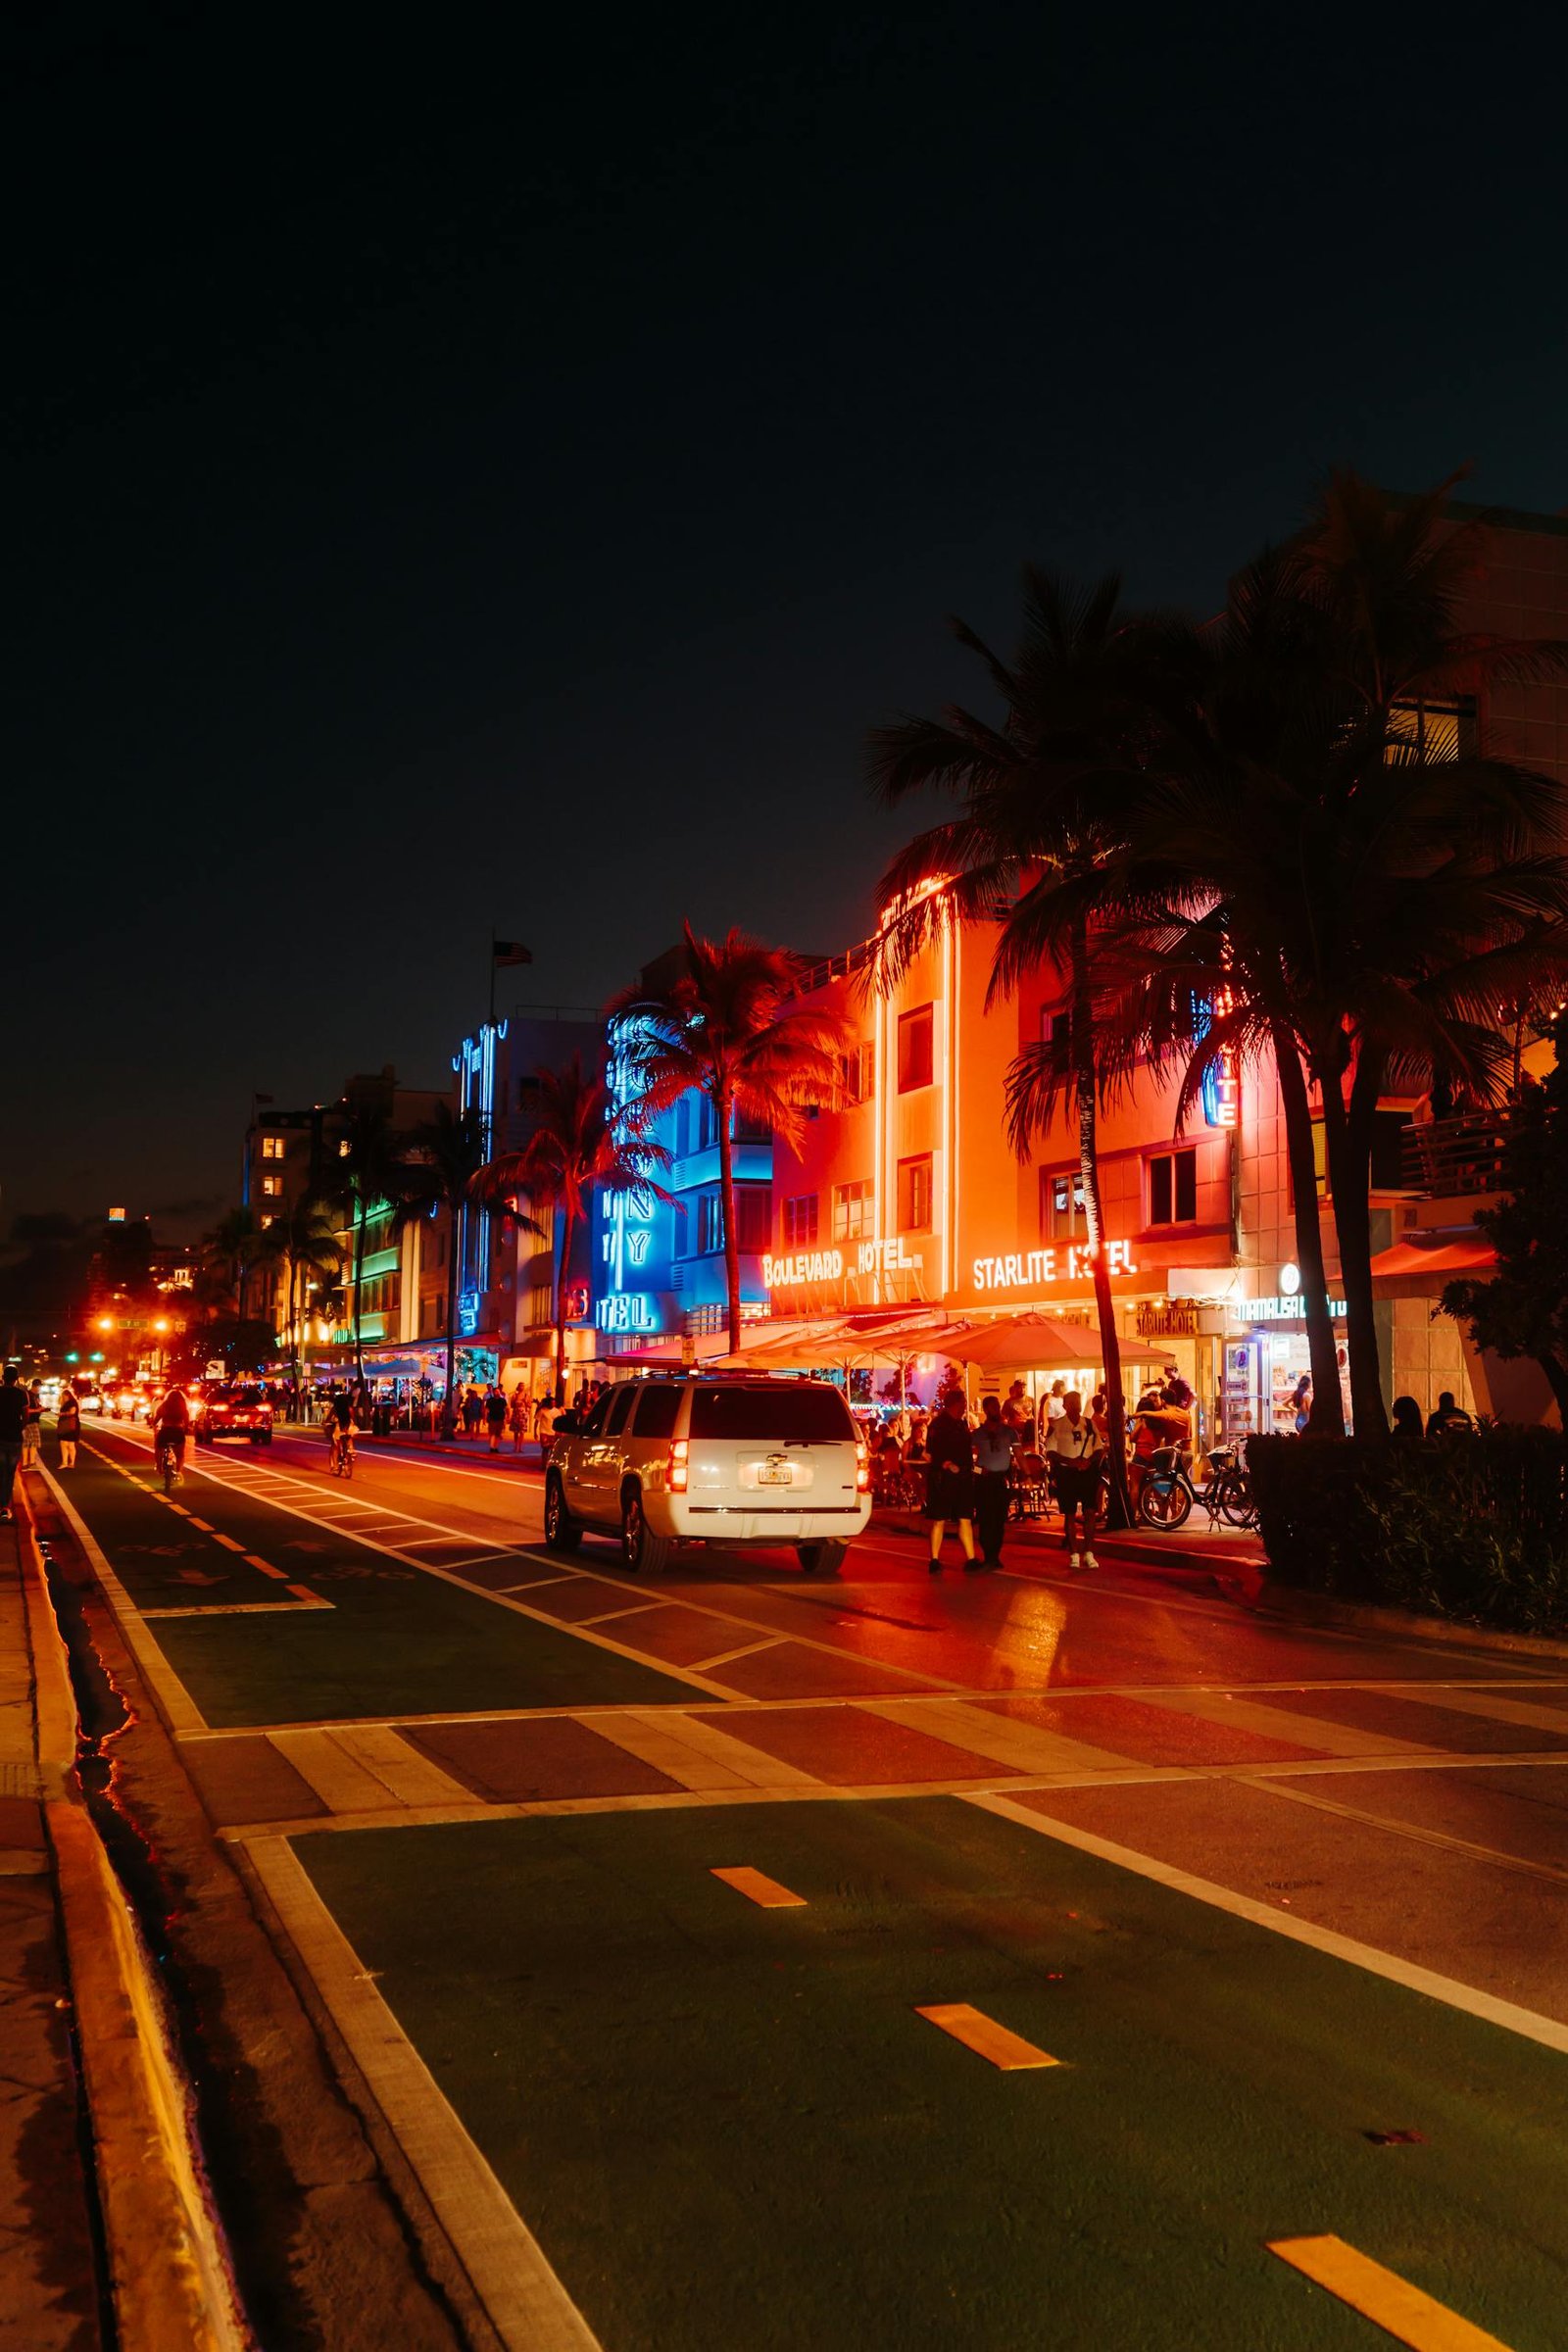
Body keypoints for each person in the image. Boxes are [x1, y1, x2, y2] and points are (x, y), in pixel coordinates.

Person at [1045, 1389, 1104, 1571]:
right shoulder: (1057, 1425)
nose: (1076, 1406)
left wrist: (1088, 1461)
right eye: (1072, 1402)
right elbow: (1050, 1451)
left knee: (1089, 1512)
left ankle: (1088, 1552)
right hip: (1067, 1474)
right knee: (1069, 1513)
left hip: (1087, 1474)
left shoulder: (1089, 1423)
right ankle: (1074, 1553)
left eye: (1078, 1402)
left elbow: (1099, 1448)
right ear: (1064, 1405)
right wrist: (1069, 1461)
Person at [924, 1390, 977, 1570]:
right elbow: (931, 1452)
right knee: (939, 1519)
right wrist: (946, 1464)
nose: (965, 1406)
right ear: (955, 1403)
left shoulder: (961, 1424)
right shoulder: (938, 1424)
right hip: (944, 1479)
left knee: (965, 1517)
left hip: (963, 1476)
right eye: (963, 1402)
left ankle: (971, 1558)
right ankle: (934, 1559)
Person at [972, 1395, 1018, 1568]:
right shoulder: (977, 1434)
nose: (996, 1410)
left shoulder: (1008, 1432)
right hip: (984, 1481)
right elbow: (969, 1462)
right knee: (985, 1519)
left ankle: (995, 1555)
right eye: (993, 1407)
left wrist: (1027, 1474)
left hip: (1000, 1480)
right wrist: (979, 1470)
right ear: (985, 1410)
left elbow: (1019, 1454)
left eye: (997, 1407)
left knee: (999, 1520)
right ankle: (988, 1554)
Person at [0, 1365, 28, 1521]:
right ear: (16, 1379)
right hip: (14, 1439)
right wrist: (19, 1427)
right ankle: (4, 1507)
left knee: (0, 1472)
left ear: (3, 1378)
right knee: (9, 1473)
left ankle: (2, 1505)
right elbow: (26, 1416)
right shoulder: (21, 1394)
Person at [152, 1383, 192, 1484]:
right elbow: (187, 1423)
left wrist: (154, 1427)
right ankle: (178, 1471)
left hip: (165, 1432)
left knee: (158, 1448)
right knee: (180, 1454)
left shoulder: (164, 1406)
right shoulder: (183, 1409)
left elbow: (156, 1420)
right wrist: (185, 1429)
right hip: (177, 1433)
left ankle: (159, 1466)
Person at [325, 1386, 355, 1468]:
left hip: (339, 1428)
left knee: (336, 1444)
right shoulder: (349, 1409)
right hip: (349, 1427)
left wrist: (326, 1422)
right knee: (349, 1437)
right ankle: (351, 1450)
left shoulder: (335, 1408)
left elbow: (328, 1418)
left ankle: (336, 1465)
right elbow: (352, 1418)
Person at [55, 1386, 81, 1469]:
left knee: (70, 1444)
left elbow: (72, 1412)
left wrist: (62, 1414)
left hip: (71, 1426)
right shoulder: (66, 1403)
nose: (63, 1398)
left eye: (64, 1396)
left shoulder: (72, 1402)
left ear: (68, 1395)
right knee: (63, 1443)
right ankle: (65, 1462)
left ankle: (71, 1462)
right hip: (64, 1426)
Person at [21, 1383, 44, 1468]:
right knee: (33, 1442)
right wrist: (37, 1410)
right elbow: (26, 1410)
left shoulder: (35, 1396)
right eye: (39, 1387)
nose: (40, 1389)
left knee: (27, 1443)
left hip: (30, 1422)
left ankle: (26, 1463)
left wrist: (41, 1409)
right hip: (31, 1422)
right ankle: (31, 1462)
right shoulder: (28, 1395)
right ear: (35, 1386)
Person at [485, 1384, 508, 1453]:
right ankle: (492, 1447)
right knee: (492, 1433)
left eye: (498, 1391)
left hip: (500, 1418)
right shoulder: (490, 1400)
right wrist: (485, 1418)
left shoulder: (502, 1400)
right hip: (492, 1418)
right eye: (495, 1391)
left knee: (498, 1434)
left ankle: (496, 1447)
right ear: (493, 1392)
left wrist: (507, 1418)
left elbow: (506, 1409)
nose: (497, 1393)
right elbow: (486, 1409)